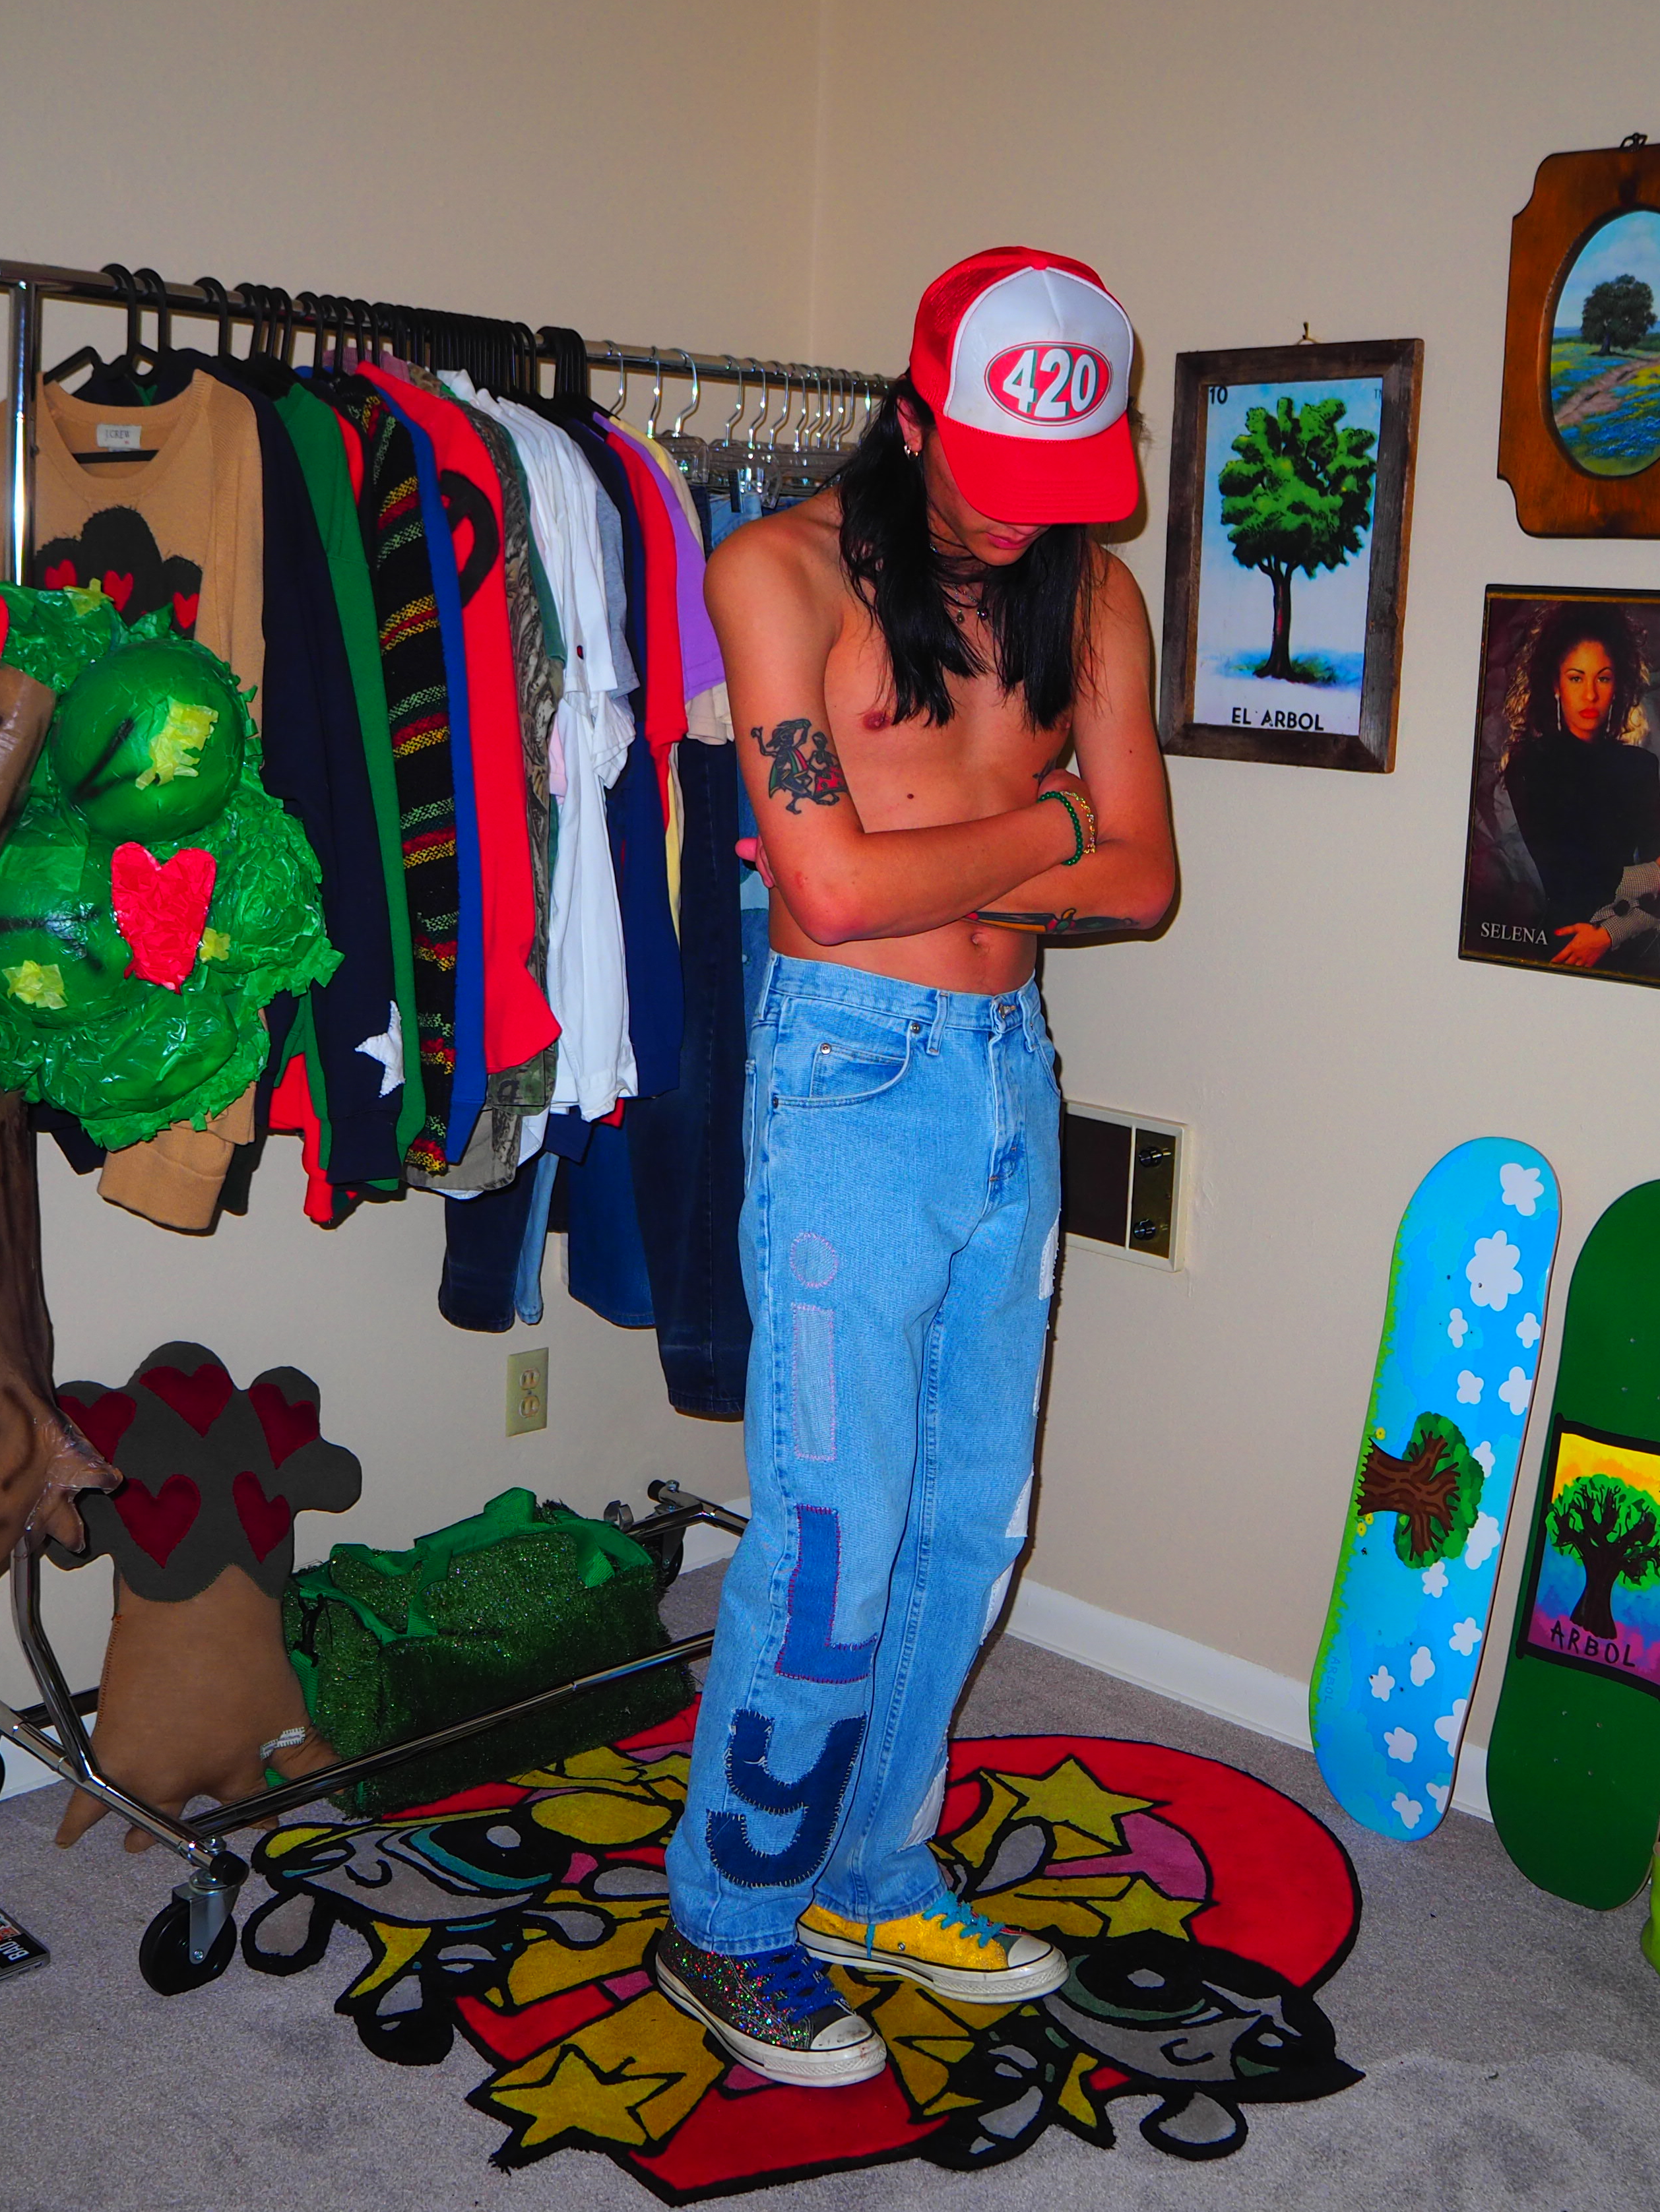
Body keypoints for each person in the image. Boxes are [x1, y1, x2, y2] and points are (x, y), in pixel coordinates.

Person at [648, 247, 1177, 2087]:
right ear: (910, 418)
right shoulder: (773, 570)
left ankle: (871, 1871)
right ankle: (727, 1917)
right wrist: (1047, 820)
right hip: (849, 1080)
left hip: (1008, 1075)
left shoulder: (1088, 593)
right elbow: (827, 889)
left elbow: (1144, 878)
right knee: (831, 1536)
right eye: (996, 478)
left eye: (1059, 486)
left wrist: (947, 855)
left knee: (970, 1521)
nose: (1024, 524)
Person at [1497, 600, 1660, 972]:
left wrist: (1610, 934)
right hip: (1564, 946)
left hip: (1632, 949)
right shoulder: (1530, 765)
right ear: (1556, 685)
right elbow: (1570, 881)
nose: (1591, 695)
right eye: (1577, 678)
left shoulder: (1640, 765)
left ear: (1618, 685)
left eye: (1603, 678)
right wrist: (1652, 875)